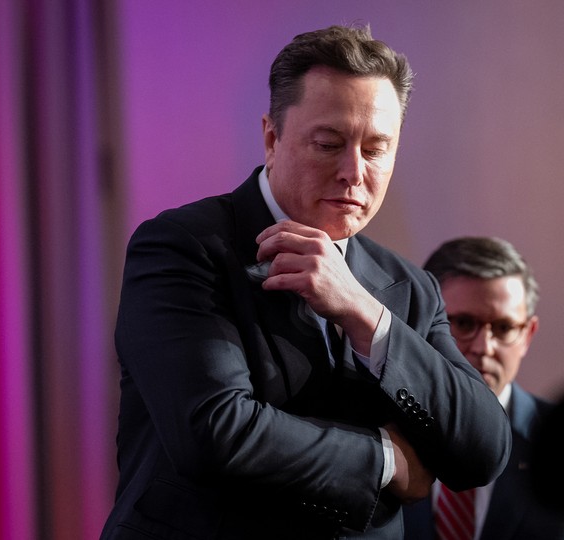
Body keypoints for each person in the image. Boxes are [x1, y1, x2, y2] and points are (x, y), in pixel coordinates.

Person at [100, 26, 512, 539]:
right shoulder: (182, 246)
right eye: (329, 144)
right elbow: (215, 431)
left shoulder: (409, 286)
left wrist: (364, 314)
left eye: (376, 149)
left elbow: (485, 450)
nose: (353, 172)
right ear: (272, 138)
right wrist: (386, 458)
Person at [403, 236, 564, 539]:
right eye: (463, 323)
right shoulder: (377, 430)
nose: (484, 347)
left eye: (503, 328)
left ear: (528, 335)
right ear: (423, 322)